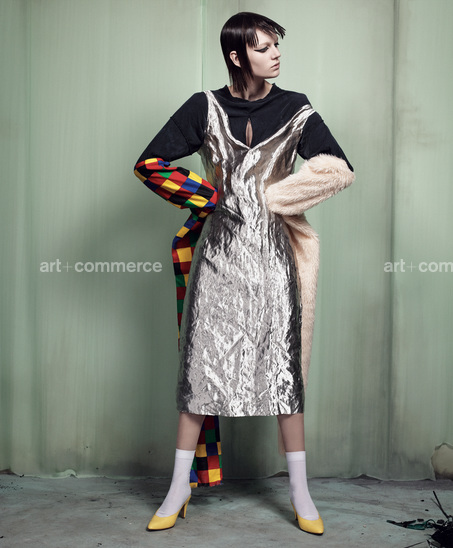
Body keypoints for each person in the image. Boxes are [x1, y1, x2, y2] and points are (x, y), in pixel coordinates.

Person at [134, 11, 354, 535]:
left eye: (277, 45)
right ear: (237, 55)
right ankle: (178, 488)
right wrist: (208, 196)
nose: (276, 54)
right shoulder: (203, 107)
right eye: (263, 47)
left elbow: (337, 168)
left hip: (276, 263)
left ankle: (300, 493)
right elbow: (151, 164)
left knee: (284, 376)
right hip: (218, 261)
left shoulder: (295, 107)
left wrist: (279, 196)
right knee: (199, 374)